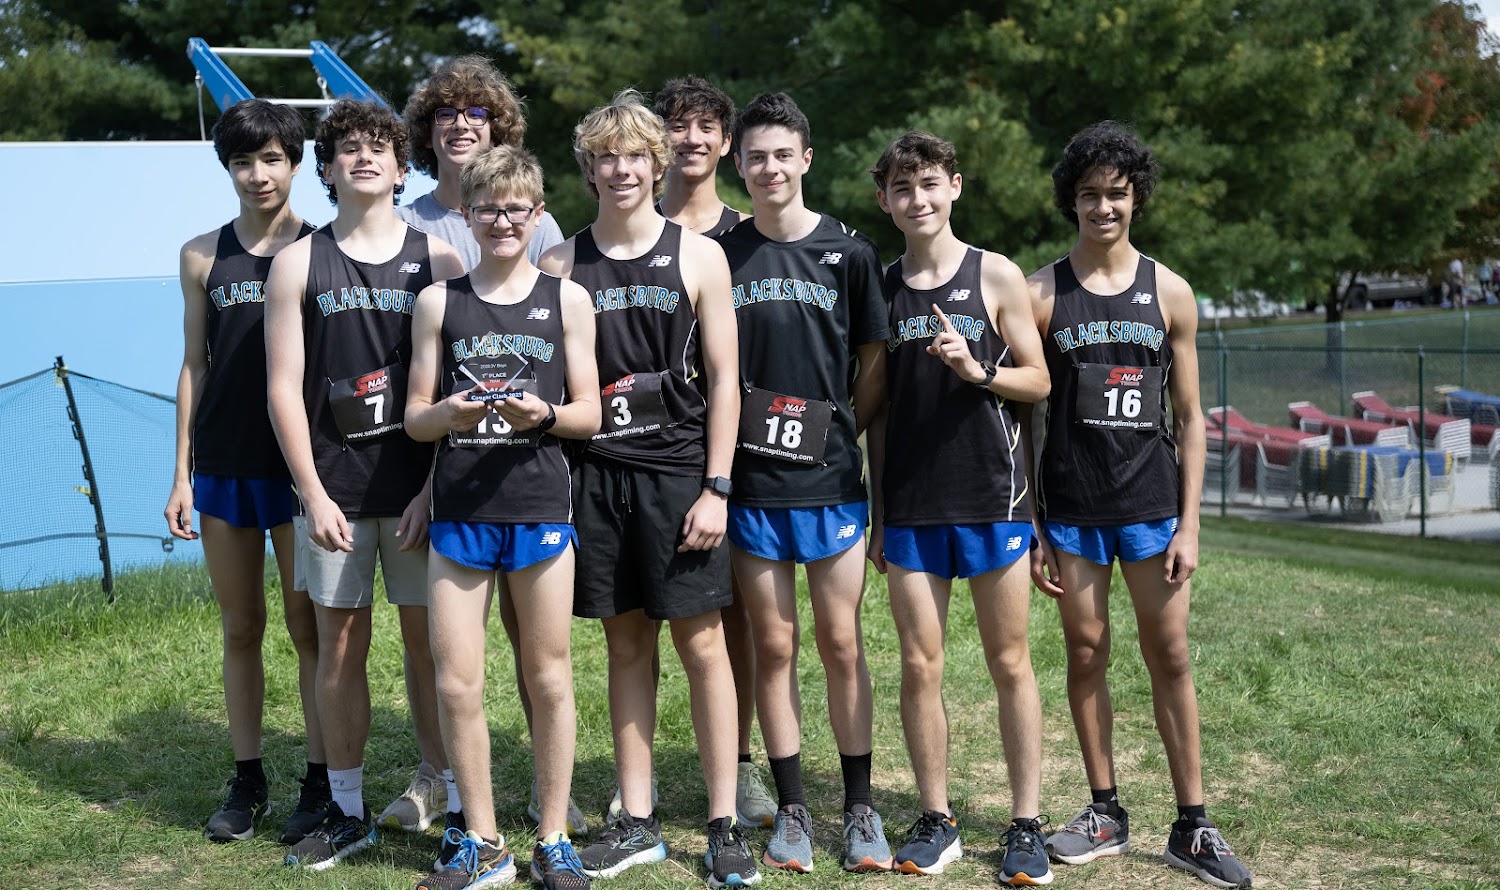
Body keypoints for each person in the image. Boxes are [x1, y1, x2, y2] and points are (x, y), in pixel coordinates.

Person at [537, 89, 759, 889]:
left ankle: (724, 821)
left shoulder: (699, 256)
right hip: (596, 476)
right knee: (625, 644)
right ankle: (636, 819)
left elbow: (727, 381)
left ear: (657, 164)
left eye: (636, 155)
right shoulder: (561, 263)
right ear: (589, 168)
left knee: (702, 645)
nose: (623, 169)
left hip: (679, 477)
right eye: (608, 157)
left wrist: (717, 487)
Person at [1027, 120, 1253, 889]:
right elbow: (1024, 420)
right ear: (1071, 200)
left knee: (1171, 654)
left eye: (1117, 194)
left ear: (1137, 198)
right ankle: (1104, 812)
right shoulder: (1040, 294)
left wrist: (1191, 524)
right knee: (1086, 651)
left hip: (1153, 505)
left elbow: (1190, 418)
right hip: (1073, 510)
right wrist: (1033, 524)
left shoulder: (1170, 291)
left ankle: (1193, 825)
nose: (1103, 207)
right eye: (1089, 194)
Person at [265, 97, 464, 871]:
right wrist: (312, 494)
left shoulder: (440, 261)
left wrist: (434, 489)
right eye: (348, 147)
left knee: (435, 649)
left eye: (380, 146)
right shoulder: (298, 262)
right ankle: (346, 812)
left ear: (403, 166)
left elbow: (462, 387)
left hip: (420, 494)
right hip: (335, 496)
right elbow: (283, 389)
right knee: (340, 648)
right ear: (326, 169)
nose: (364, 157)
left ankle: (455, 801)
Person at [400, 51, 587, 839]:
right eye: (489, 211)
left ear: (536, 214)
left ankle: (553, 829)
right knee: (454, 679)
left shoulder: (565, 295)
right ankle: (473, 830)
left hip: (539, 497)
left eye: (517, 211)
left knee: (547, 673)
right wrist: (447, 415)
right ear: (469, 215)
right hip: (459, 504)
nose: (503, 222)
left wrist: (541, 416)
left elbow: (587, 413)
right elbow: (415, 416)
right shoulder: (437, 295)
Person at [864, 131, 1053, 884]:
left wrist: (979, 371)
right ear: (885, 200)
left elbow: (1038, 381)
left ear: (955, 187)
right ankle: (936, 818)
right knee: (920, 664)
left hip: (993, 499)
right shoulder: (881, 288)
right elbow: (876, 412)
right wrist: (880, 513)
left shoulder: (995, 274)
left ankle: (1026, 823)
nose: (918, 199)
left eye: (930, 184)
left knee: (1010, 661)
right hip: (912, 506)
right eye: (903, 188)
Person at [714, 92, 890, 874]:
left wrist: (843, 427)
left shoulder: (850, 253)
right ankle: (791, 809)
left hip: (830, 484)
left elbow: (873, 363)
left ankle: (859, 807)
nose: (770, 168)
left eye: (783, 154)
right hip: (752, 487)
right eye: (756, 156)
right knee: (775, 644)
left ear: (806, 160)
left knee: (841, 641)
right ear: (739, 163)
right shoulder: (721, 255)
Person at [164, 98, 329, 846]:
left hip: (298, 471)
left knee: (307, 627)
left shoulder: (324, 251)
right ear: (226, 168)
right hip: (224, 465)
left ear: (295, 164)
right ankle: (247, 778)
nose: (258, 174)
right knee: (241, 626)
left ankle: (322, 780)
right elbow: (193, 365)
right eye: (242, 161)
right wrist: (181, 473)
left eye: (272, 159)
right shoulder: (202, 255)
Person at [652, 75, 775, 830]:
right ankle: (634, 776)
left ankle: (742, 761)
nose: (691, 138)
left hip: (737, 450)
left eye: (706, 127)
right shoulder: (627, 222)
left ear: (726, 143)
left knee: (737, 616)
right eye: (677, 124)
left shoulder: (747, 234)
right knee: (639, 616)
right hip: (646, 451)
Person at [400, 55, 565, 268]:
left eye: (476, 114)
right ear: (426, 135)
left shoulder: (536, 225)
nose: (460, 124)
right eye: (446, 114)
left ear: (496, 132)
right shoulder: (402, 225)